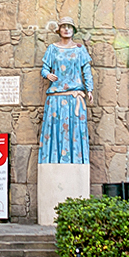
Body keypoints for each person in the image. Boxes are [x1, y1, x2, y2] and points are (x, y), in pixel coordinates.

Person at [38, 17, 92, 165]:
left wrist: (89, 89)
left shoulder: (80, 49)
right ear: (59, 30)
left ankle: (77, 164)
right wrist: (47, 75)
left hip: (74, 98)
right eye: (63, 26)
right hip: (56, 98)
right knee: (54, 131)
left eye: (69, 26)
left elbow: (86, 70)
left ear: (73, 30)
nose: (66, 29)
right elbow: (44, 68)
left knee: (75, 131)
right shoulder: (52, 49)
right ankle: (53, 164)